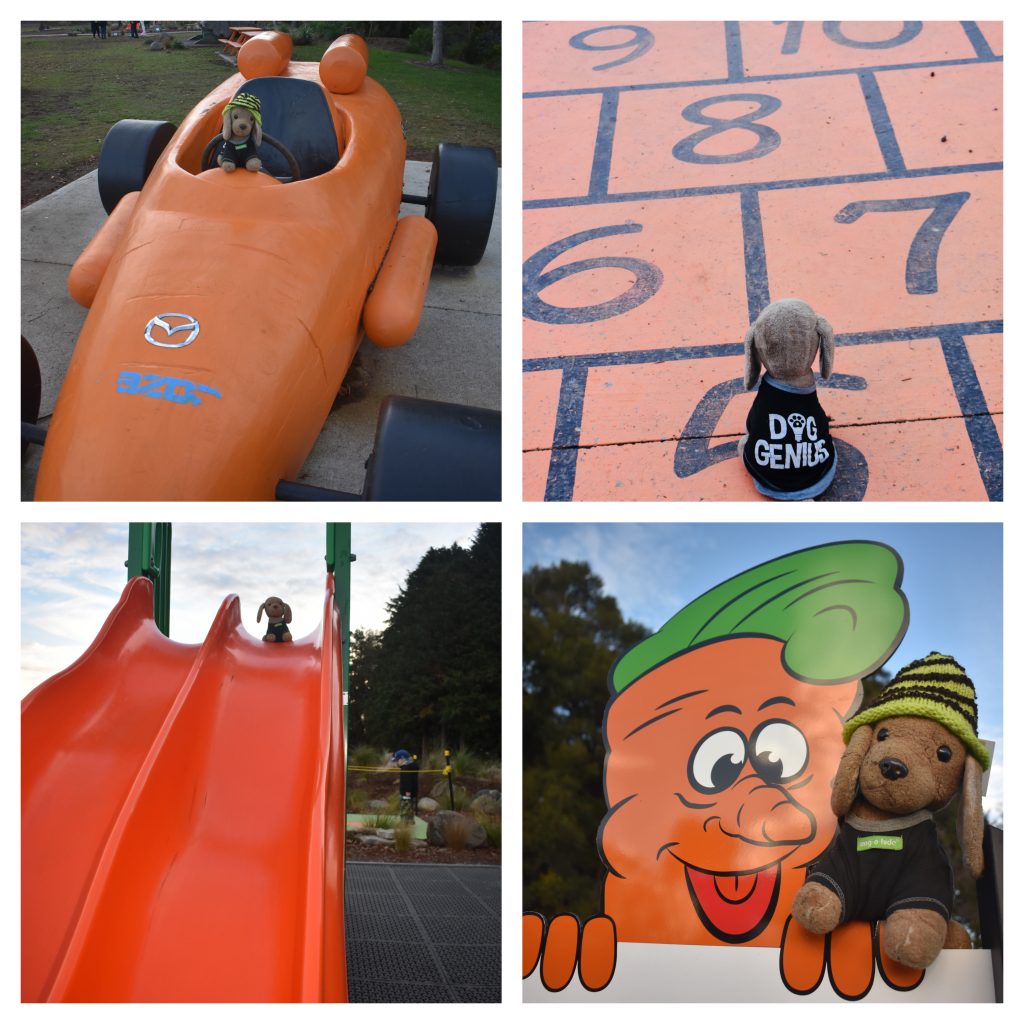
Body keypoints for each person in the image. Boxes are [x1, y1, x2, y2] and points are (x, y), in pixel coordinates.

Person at [389, 749, 418, 821]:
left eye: (397, 760)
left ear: (402, 759)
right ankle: (410, 822)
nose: (397, 762)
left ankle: (404, 823)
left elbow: (408, 781)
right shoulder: (409, 766)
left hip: (407, 793)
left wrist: (407, 791)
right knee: (410, 808)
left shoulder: (406, 768)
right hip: (411, 792)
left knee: (405, 808)